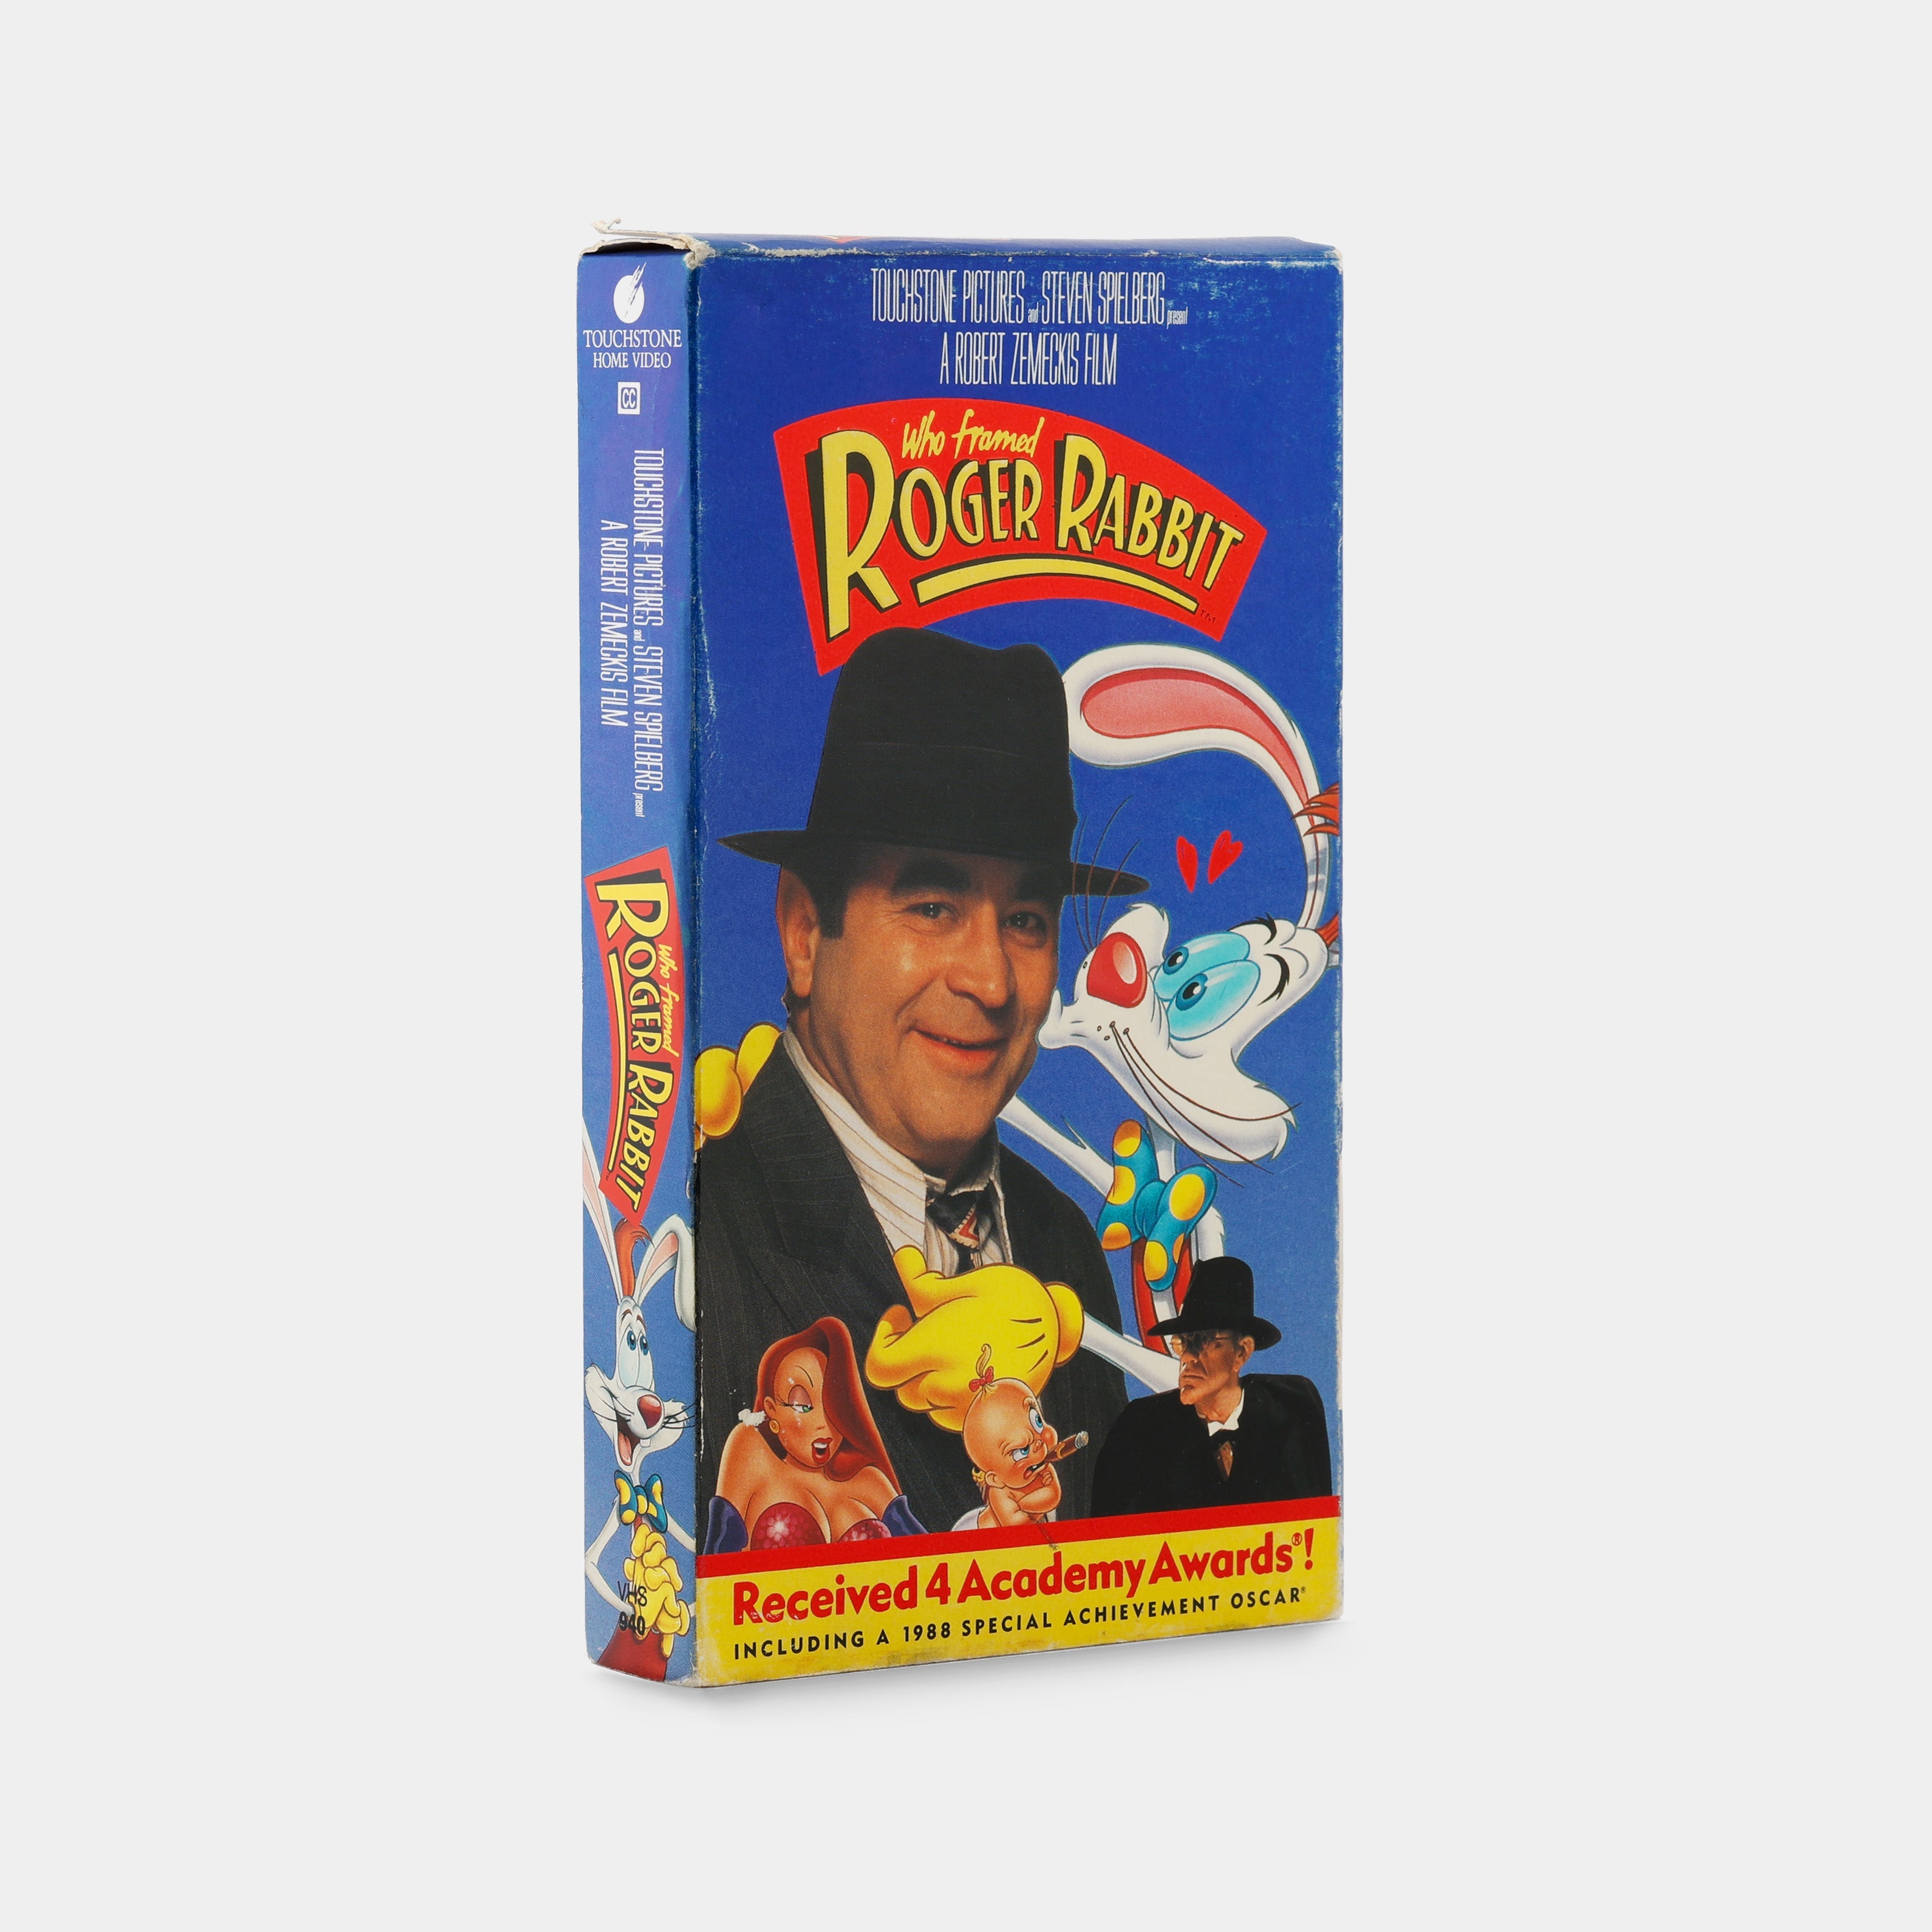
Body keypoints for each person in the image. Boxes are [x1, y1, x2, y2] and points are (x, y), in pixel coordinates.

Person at [696, 627, 1144, 1533]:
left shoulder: (1062, 1242)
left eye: (1025, 919)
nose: (991, 981)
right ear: (803, 931)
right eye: (933, 907)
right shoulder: (703, 1222)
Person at [1090, 1256, 1332, 1516]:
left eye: (1204, 1341)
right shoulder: (1139, 1428)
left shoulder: (1292, 1408)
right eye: (1183, 1342)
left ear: (1242, 1352)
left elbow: (1318, 1524)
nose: (1188, 1357)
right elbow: (1106, 1532)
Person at [703, 1318, 923, 1551]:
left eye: (833, 1405)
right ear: (771, 1410)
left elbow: (934, 1558)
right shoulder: (753, 1452)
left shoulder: (870, 1482)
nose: (823, 1424)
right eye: (802, 1405)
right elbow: (718, 1554)